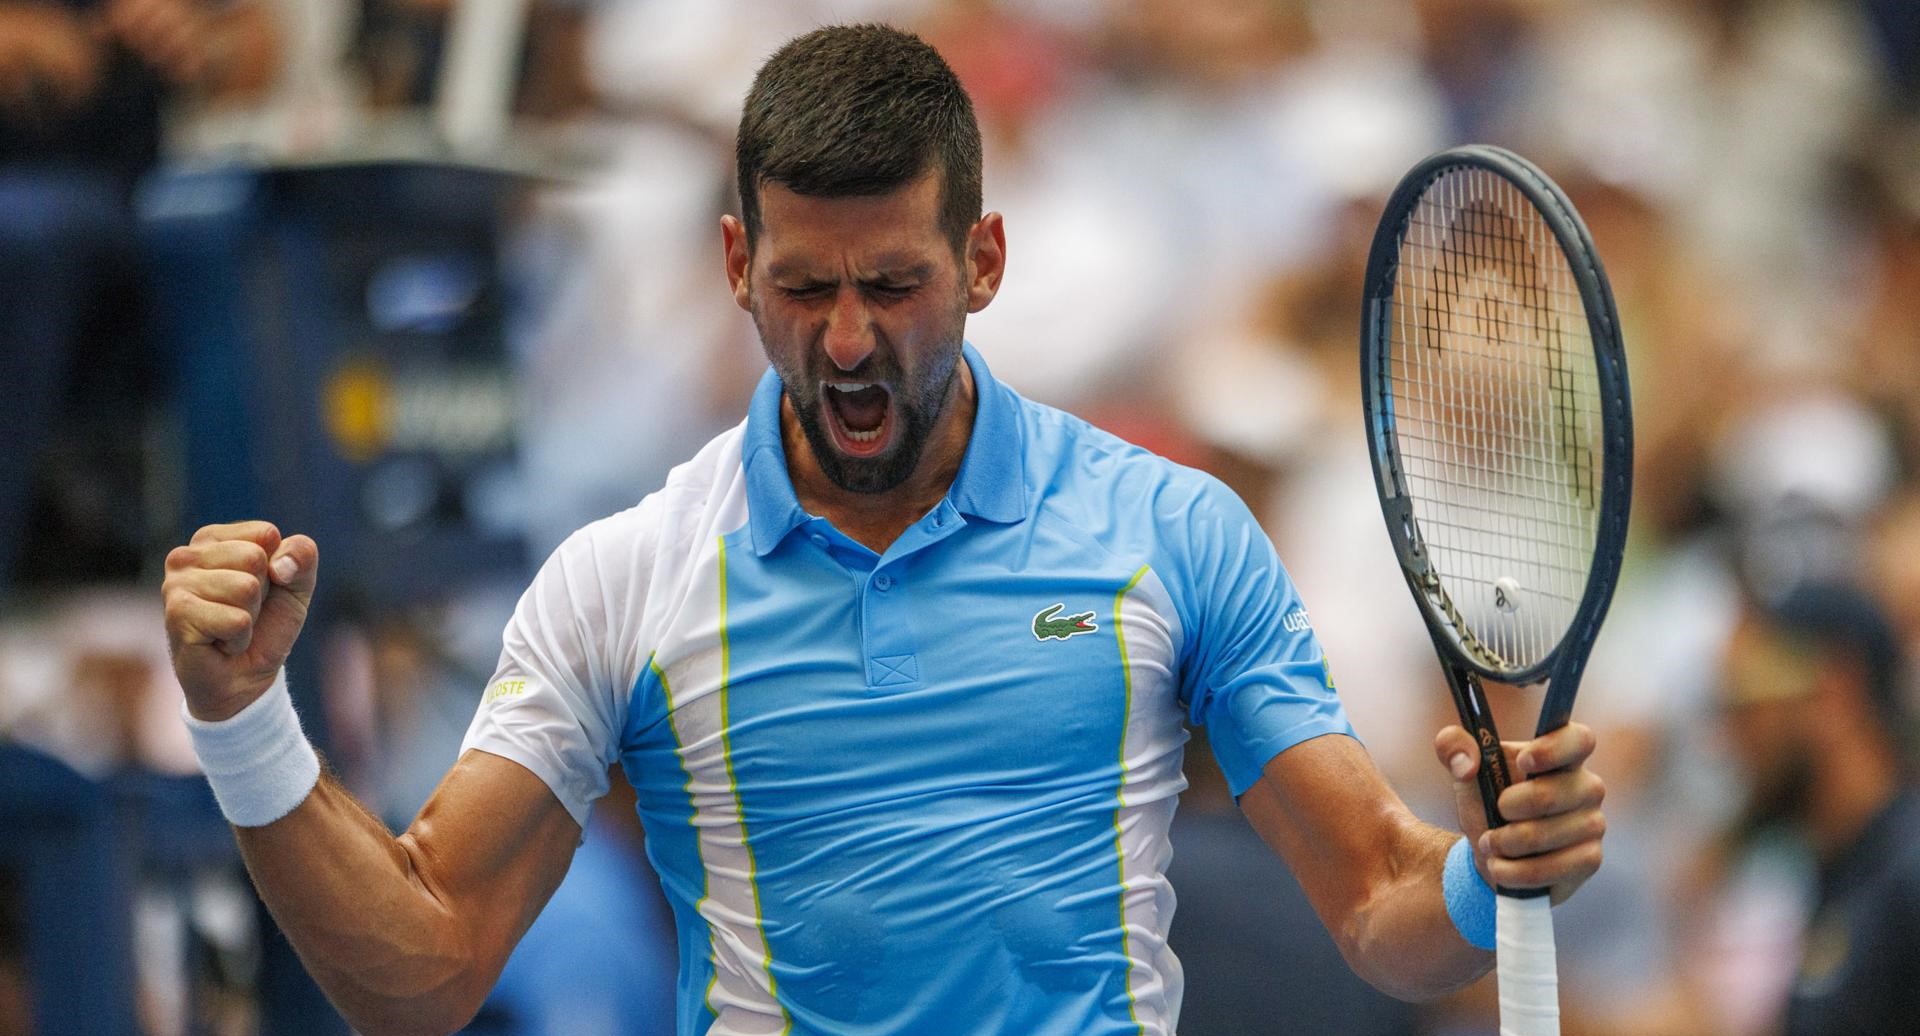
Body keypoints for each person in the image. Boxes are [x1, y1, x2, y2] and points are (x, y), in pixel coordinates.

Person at [159, 24, 1607, 1035]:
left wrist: (1488, 874)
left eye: (894, 286)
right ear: (737, 264)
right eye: (804, 290)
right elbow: (416, 975)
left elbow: (1378, 912)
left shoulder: (1174, 533)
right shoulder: (626, 582)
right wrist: (244, 722)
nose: (848, 342)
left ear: (983, 260)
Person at [1717, 582, 1920, 1036]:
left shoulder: (1907, 879)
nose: (1729, 738)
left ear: (1833, 693)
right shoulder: (1839, 871)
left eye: (1746, 702)